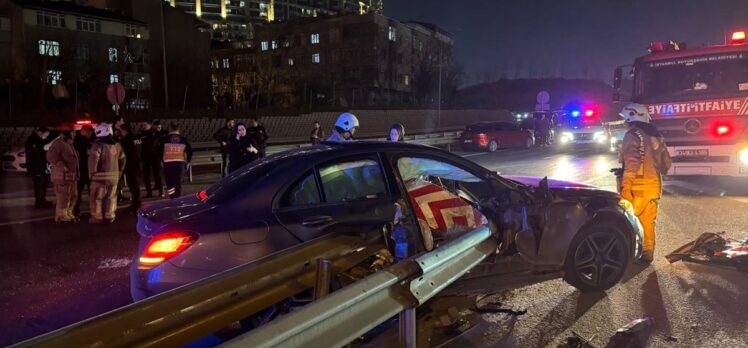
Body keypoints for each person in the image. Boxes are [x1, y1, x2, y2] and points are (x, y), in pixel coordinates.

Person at [618, 103, 672, 263]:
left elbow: (632, 163)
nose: (623, 122)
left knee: (628, 220)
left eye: (625, 119)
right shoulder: (655, 135)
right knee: (648, 222)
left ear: (631, 117)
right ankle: (647, 253)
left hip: (636, 187)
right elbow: (666, 164)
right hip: (654, 186)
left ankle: (627, 253)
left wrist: (625, 187)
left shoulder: (632, 134)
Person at [89, 123, 125, 223]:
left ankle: (97, 217)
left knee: (97, 198)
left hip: (99, 178)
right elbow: (122, 159)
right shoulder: (115, 145)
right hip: (113, 177)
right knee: (111, 197)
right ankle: (109, 216)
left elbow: (93, 159)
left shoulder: (98, 145)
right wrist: (119, 171)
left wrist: (92, 173)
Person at [47, 123, 79, 223]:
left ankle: (68, 214)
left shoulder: (69, 144)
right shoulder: (58, 143)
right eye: (72, 132)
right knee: (63, 198)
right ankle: (61, 217)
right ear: (67, 133)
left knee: (73, 195)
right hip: (62, 177)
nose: (74, 134)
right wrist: (62, 166)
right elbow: (51, 156)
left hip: (71, 177)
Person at [159, 123, 192, 199]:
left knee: (170, 183)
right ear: (178, 129)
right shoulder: (183, 139)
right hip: (180, 164)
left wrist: (162, 160)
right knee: (178, 183)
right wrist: (188, 161)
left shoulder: (164, 139)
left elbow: (159, 151)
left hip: (168, 164)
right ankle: (178, 198)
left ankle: (172, 198)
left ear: (170, 129)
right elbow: (190, 151)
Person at [25, 126, 53, 208]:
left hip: (41, 166)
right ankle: (39, 202)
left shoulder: (39, 140)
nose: (46, 136)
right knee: (39, 185)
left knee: (44, 183)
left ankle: (42, 200)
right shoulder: (33, 141)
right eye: (46, 134)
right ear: (40, 132)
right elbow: (35, 155)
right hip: (36, 167)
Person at [73, 124, 95, 217]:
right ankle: (76, 211)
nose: (90, 134)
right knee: (78, 193)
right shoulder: (77, 141)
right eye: (89, 133)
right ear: (85, 131)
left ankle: (92, 211)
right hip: (81, 170)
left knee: (92, 193)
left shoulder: (89, 140)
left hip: (87, 170)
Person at [139, 121, 163, 198]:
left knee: (157, 175)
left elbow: (154, 143)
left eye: (145, 125)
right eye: (142, 125)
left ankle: (161, 190)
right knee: (146, 176)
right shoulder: (140, 134)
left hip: (155, 157)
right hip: (145, 158)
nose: (143, 126)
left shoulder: (155, 133)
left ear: (150, 125)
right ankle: (149, 192)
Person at [120, 123, 141, 208]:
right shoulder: (137, 137)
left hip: (129, 165)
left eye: (121, 130)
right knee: (135, 184)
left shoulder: (126, 139)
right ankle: (136, 201)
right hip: (137, 163)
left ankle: (136, 203)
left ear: (124, 130)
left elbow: (124, 153)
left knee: (132, 184)